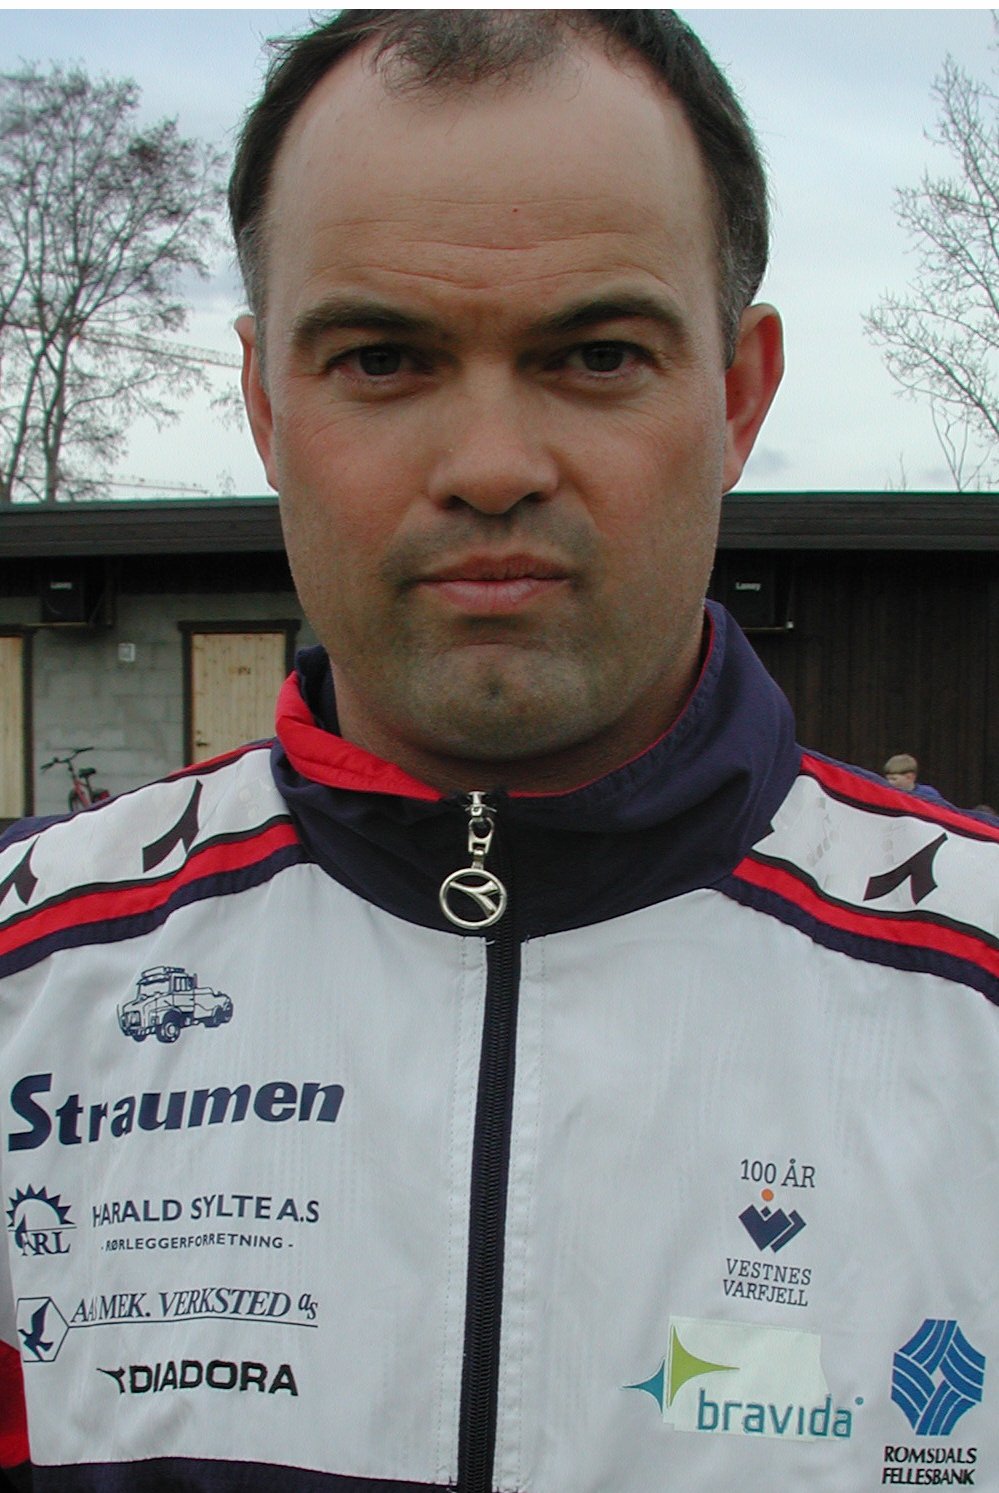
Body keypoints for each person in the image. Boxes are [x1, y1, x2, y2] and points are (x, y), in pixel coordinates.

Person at [1, 12, 997, 1491]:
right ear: (264, 403)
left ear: (736, 394)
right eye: (381, 357)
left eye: (594, 354)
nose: (489, 467)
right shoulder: (26, 990)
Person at [882, 750, 947, 804]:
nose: (889, 782)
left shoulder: (928, 794)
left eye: (894, 779)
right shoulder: (887, 794)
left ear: (910, 777)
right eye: (888, 779)